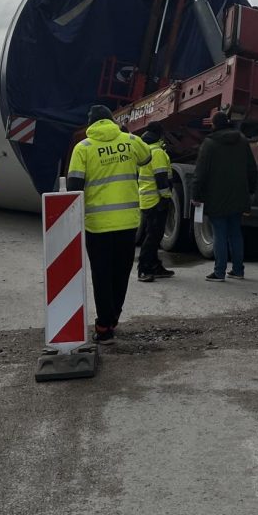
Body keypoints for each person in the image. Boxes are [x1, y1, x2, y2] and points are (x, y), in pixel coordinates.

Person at [67, 105, 152, 342]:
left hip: (97, 225)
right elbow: (147, 157)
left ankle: (104, 326)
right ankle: (114, 316)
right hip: (127, 222)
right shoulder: (130, 140)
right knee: (121, 272)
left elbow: (74, 186)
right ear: (111, 120)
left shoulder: (83, 148)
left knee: (102, 274)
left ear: (91, 124)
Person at [192, 111, 257, 281]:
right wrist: (250, 190)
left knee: (220, 233)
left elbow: (200, 172)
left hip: (216, 196)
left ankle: (219, 272)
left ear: (214, 125)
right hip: (238, 196)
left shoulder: (209, 143)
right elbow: (252, 168)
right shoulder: (242, 140)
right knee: (235, 232)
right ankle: (238, 270)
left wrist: (195, 194)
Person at [136, 124, 175, 283]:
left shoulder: (145, 150)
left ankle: (154, 265)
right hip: (156, 201)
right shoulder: (157, 152)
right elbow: (161, 178)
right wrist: (165, 198)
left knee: (152, 235)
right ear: (160, 135)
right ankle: (144, 269)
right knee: (153, 236)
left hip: (147, 199)